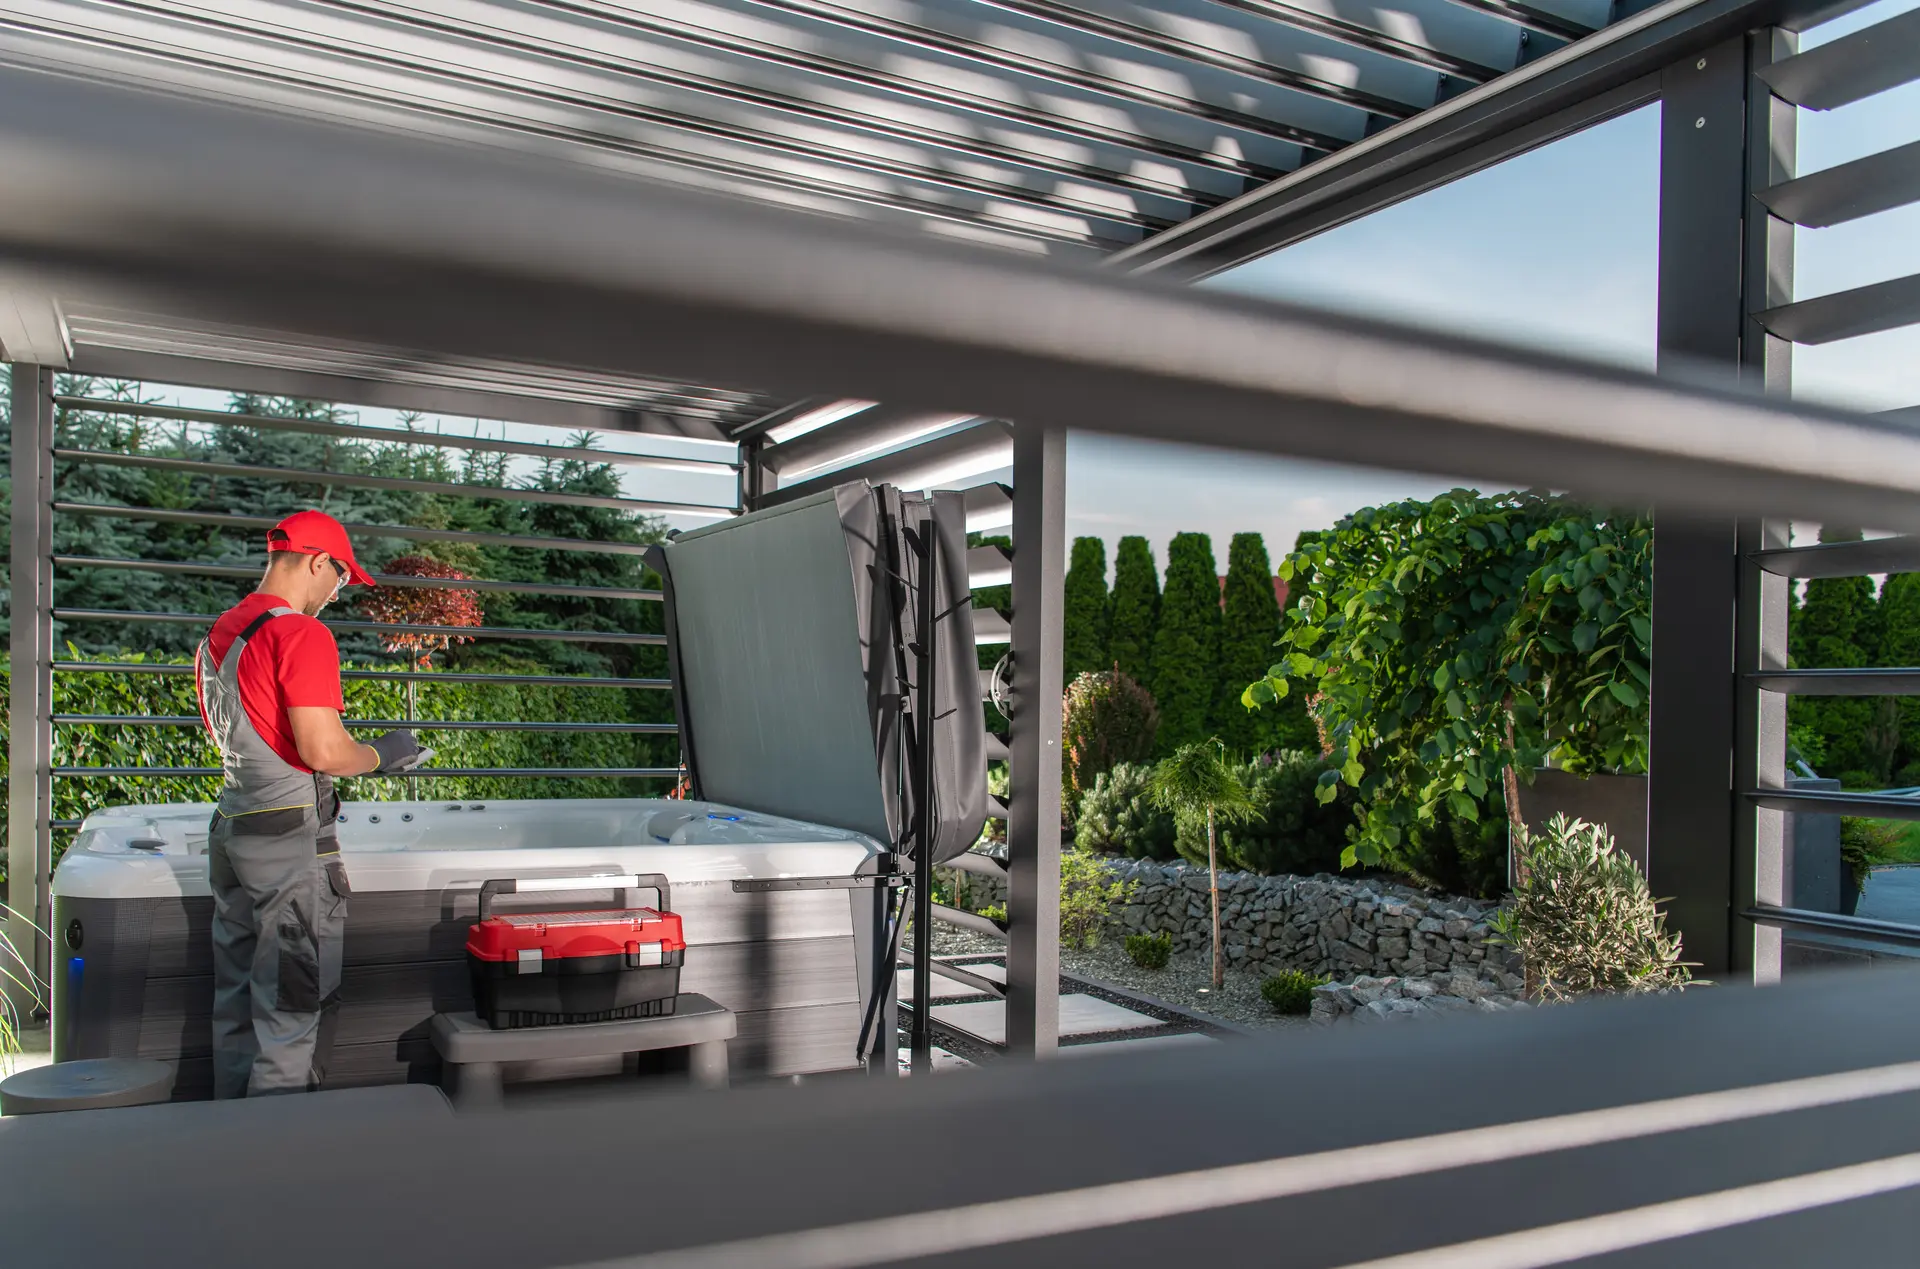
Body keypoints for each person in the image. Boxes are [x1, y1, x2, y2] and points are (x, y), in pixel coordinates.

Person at [195, 510, 427, 1097]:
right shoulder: (300, 633)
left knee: (236, 1005)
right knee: (290, 1010)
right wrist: (383, 753)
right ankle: (275, 1170)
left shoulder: (222, 632)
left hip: (233, 827)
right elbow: (323, 750)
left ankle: (227, 1142)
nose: (337, 592)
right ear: (317, 561)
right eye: (341, 578)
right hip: (286, 842)